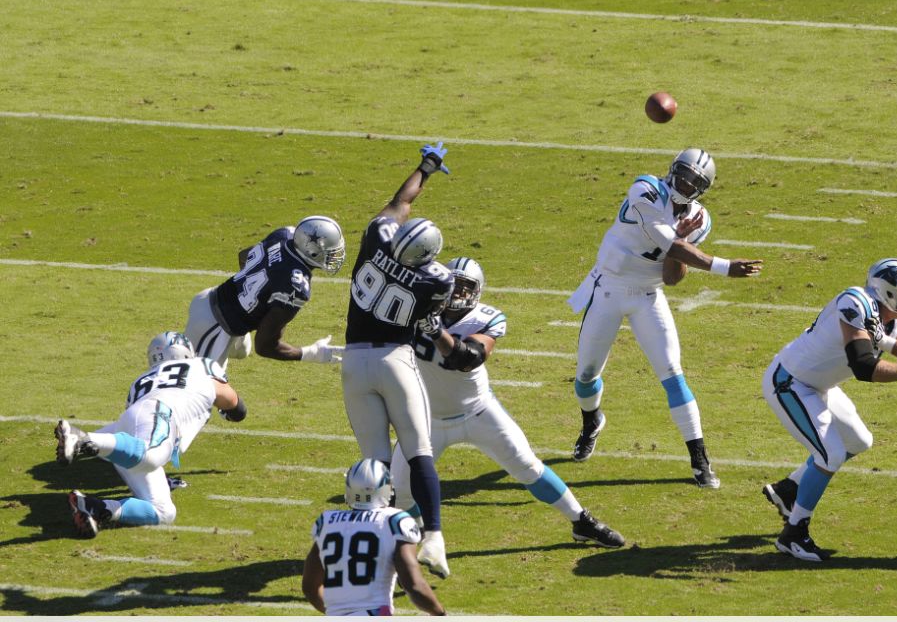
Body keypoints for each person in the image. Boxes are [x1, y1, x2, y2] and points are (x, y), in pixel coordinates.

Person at [390, 257, 626, 551]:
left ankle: (582, 521)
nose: (458, 295)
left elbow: (467, 359)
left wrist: (436, 330)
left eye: (466, 288)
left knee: (528, 466)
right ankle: (402, 544)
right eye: (454, 287)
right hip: (426, 420)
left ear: (478, 292)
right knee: (398, 492)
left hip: (478, 412)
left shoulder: (486, 318)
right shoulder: (415, 310)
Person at [567, 148, 762, 488]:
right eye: (683, 175)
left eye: (694, 182)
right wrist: (724, 267)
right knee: (585, 376)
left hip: (647, 295)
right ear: (672, 170)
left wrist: (686, 236)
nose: (686, 184)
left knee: (673, 373)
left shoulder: (700, 218)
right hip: (609, 288)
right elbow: (668, 243)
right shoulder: (645, 189)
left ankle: (699, 458)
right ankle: (591, 421)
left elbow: (673, 276)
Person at [759, 258, 897, 561]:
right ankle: (794, 533)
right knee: (830, 453)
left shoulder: (889, 318)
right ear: (887, 291)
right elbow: (863, 366)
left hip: (820, 385)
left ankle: (790, 489)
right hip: (790, 382)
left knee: (859, 440)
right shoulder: (855, 303)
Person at [342, 144, 455, 578]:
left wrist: (424, 169)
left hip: (354, 364)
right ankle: (434, 538)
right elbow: (430, 319)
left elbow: (400, 202)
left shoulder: (376, 237)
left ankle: (379, 547)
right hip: (394, 360)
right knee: (418, 450)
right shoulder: (435, 280)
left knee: (374, 463)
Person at [54, 332, 247, 537]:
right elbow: (235, 405)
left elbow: (135, 425)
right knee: (152, 456)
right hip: (159, 414)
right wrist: (232, 411)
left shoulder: (142, 379)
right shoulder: (201, 366)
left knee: (164, 512)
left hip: (130, 423)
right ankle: (83, 439)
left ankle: (94, 507)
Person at [184, 214, 346, 368]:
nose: (334, 257)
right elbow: (265, 346)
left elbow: (244, 256)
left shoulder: (284, 234)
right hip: (214, 326)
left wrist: (250, 300)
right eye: (330, 252)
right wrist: (310, 353)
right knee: (199, 389)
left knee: (241, 350)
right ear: (312, 251)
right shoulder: (296, 286)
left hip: (208, 297)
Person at [302, 459, 445, 616]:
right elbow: (413, 585)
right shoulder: (395, 521)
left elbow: (310, 586)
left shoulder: (327, 521)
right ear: (385, 488)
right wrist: (440, 613)